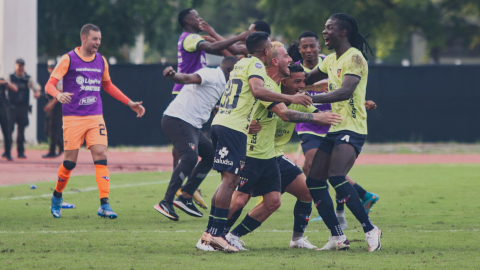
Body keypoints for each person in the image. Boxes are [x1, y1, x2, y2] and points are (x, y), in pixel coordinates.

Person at [199, 32, 313, 252]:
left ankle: (212, 234)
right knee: (230, 185)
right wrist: (291, 98)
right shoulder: (257, 66)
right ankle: (216, 235)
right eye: (271, 46)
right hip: (233, 127)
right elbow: (258, 91)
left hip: (223, 123)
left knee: (229, 183)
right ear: (266, 51)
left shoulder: (241, 64)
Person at [223, 54, 342, 250]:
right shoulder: (268, 93)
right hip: (252, 154)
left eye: (304, 82)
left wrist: (348, 109)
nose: (301, 85)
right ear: (283, 81)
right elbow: (285, 114)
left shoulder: (297, 97)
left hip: (273, 155)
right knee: (240, 199)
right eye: (297, 81)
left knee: (302, 193)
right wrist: (246, 125)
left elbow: (320, 113)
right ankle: (215, 235)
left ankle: (293, 239)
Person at [45, 23, 145, 219]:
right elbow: (50, 84)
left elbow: (108, 86)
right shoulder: (68, 59)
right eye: (94, 39)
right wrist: (57, 95)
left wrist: (129, 102)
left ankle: (104, 204)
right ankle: (57, 196)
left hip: (95, 116)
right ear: (83, 38)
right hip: (73, 118)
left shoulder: (101, 60)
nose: (98, 43)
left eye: (99, 39)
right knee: (69, 163)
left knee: (101, 155)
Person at [304, 13, 382, 252]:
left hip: (353, 128)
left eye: (329, 28)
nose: (324, 32)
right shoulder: (329, 60)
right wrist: (284, 78)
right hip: (335, 128)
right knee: (315, 181)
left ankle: (370, 230)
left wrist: (310, 97)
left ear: (343, 32)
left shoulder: (355, 58)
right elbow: (306, 78)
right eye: (324, 27)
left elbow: (345, 92)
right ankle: (337, 237)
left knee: (337, 177)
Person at [154, 57, 239, 225]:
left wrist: (215, 108)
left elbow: (204, 97)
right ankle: (166, 202)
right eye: (239, 72)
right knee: (190, 157)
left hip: (191, 125)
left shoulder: (224, 83)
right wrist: (172, 76)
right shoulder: (211, 74)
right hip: (177, 119)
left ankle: (186, 196)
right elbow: (186, 79)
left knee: (212, 156)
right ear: (230, 71)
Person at [170, 9, 252, 177]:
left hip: (193, 88)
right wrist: (238, 36)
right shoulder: (191, 37)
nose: (200, 20)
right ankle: (180, 180)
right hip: (188, 89)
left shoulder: (192, 38)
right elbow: (217, 47)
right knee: (187, 142)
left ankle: (183, 183)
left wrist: (218, 35)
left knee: (190, 141)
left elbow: (232, 51)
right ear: (188, 22)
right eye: (196, 18)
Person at [6, 59, 41, 158]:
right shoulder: (10, 77)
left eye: (22, 66)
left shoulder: (28, 78)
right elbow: (4, 84)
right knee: (9, 130)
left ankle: (20, 151)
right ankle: (7, 150)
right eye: (19, 66)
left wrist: (37, 93)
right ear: (15, 67)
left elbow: (37, 88)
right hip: (11, 108)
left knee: (21, 131)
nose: (20, 68)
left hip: (23, 108)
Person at [200, 20, 271, 56]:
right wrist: (214, 42)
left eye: (250, 31)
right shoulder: (248, 45)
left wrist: (214, 34)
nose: (247, 32)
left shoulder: (259, 47)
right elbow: (229, 48)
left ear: (259, 33)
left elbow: (233, 50)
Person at [43, 60, 64, 158]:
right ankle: (60, 145)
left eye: (53, 67)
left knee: (52, 129)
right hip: (51, 105)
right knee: (47, 129)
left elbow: (60, 91)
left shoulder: (59, 77)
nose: (51, 69)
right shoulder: (51, 78)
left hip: (57, 106)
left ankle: (52, 151)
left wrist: (51, 104)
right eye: (50, 67)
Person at [0, 65, 18, 161]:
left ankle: (8, 153)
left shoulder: (3, 80)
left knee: (7, 131)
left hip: (3, 108)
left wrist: (5, 82)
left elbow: (15, 88)